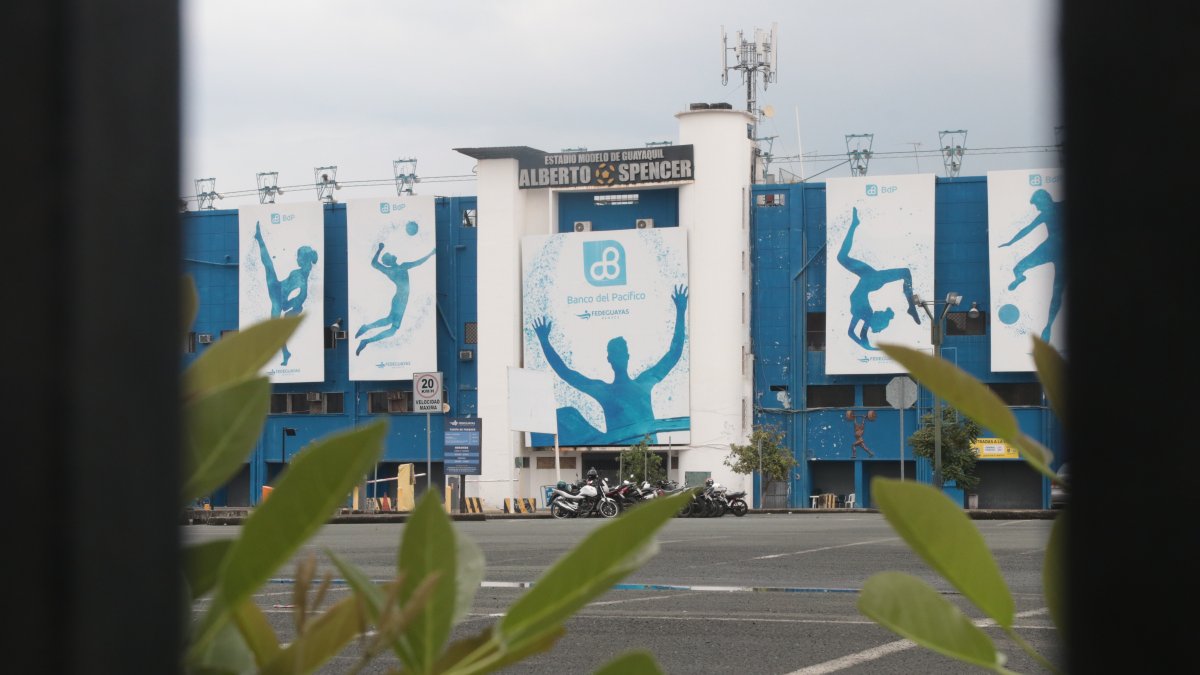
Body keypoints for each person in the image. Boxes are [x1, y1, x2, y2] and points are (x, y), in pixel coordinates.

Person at [532, 284, 688, 445]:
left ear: (627, 356)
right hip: (617, 454)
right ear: (609, 359)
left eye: (621, 352)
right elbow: (566, 373)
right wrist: (544, 341)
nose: (618, 357)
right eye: (615, 353)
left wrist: (681, 311)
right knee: (565, 416)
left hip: (650, 453)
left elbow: (673, 354)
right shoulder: (603, 391)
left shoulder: (644, 382)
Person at [836, 207, 921, 350]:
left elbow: (852, 333)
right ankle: (911, 306)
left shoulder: (864, 316)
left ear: (877, 320)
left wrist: (870, 348)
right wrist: (869, 347)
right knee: (905, 272)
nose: (880, 311)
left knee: (841, 257)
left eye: (881, 315)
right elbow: (855, 334)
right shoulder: (865, 315)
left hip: (869, 279)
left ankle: (854, 224)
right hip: (872, 280)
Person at [998, 188, 1064, 342]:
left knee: (1057, 291)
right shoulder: (1045, 214)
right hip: (1050, 247)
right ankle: (1019, 278)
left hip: (1061, 251)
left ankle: (1048, 327)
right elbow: (1026, 230)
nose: (1038, 208)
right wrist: (1010, 242)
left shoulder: (1059, 208)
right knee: (1018, 267)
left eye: (1038, 205)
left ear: (1045, 199)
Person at [253, 222, 318, 366]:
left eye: (298, 257)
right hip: (279, 289)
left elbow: (301, 296)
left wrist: (288, 305)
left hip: (280, 298)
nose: (296, 259)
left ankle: (283, 353)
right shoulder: (301, 272)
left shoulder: (302, 278)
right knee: (269, 266)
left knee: (269, 266)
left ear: (304, 259)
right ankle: (260, 238)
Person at [355, 242, 436, 356]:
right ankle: (366, 331)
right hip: (400, 299)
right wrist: (431, 254)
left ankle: (366, 339)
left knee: (392, 329)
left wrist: (380, 249)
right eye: (390, 255)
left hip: (401, 300)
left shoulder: (391, 270)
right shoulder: (400, 267)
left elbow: (374, 263)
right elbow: (418, 262)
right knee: (391, 324)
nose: (392, 255)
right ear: (391, 259)